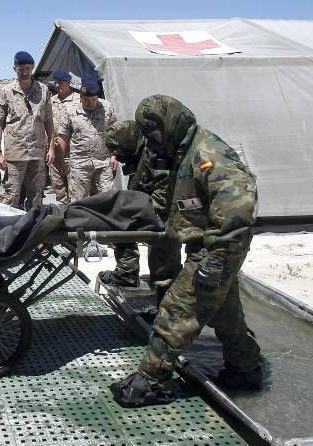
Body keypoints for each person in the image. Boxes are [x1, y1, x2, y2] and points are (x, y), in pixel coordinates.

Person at [110, 94, 263, 408]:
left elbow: (239, 206)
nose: (150, 140)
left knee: (178, 310)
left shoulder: (208, 153)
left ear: (170, 124)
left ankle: (149, 381)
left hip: (218, 249)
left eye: (153, 131)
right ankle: (245, 370)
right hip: (207, 244)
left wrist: (218, 260)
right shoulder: (178, 150)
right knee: (225, 313)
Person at [98, 121, 182, 294]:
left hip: (166, 215)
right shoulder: (139, 153)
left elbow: (165, 190)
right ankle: (127, 273)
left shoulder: (156, 152)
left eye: (120, 151)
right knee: (118, 220)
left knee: (163, 270)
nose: (118, 156)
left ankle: (168, 300)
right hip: (150, 210)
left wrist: (144, 216)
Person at [0, 51, 54, 210]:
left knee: (36, 196)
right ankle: (8, 230)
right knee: (11, 196)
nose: (25, 72)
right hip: (15, 153)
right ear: (15, 69)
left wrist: (52, 148)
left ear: (32, 67)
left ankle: (34, 229)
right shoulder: (6, 92)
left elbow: (48, 121)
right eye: (21, 69)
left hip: (37, 152)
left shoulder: (43, 90)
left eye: (27, 68)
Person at [53, 76, 117, 202]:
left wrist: (114, 155)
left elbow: (114, 132)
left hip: (103, 163)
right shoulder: (70, 110)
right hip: (79, 165)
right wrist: (62, 160)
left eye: (95, 99)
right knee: (78, 203)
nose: (92, 104)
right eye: (87, 100)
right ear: (81, 97)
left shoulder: (107, 107)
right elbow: (63, 138)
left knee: (107, 201)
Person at [48, 70, 77, 205]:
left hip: (73, 150)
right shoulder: (51, 101)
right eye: (56, 82)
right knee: (57, 182)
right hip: (54, 148)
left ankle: (74, 210)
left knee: (74, 183)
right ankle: (63, 208)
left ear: (69, 83)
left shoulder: (78, 99)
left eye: (61, 82)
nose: (58, 85)